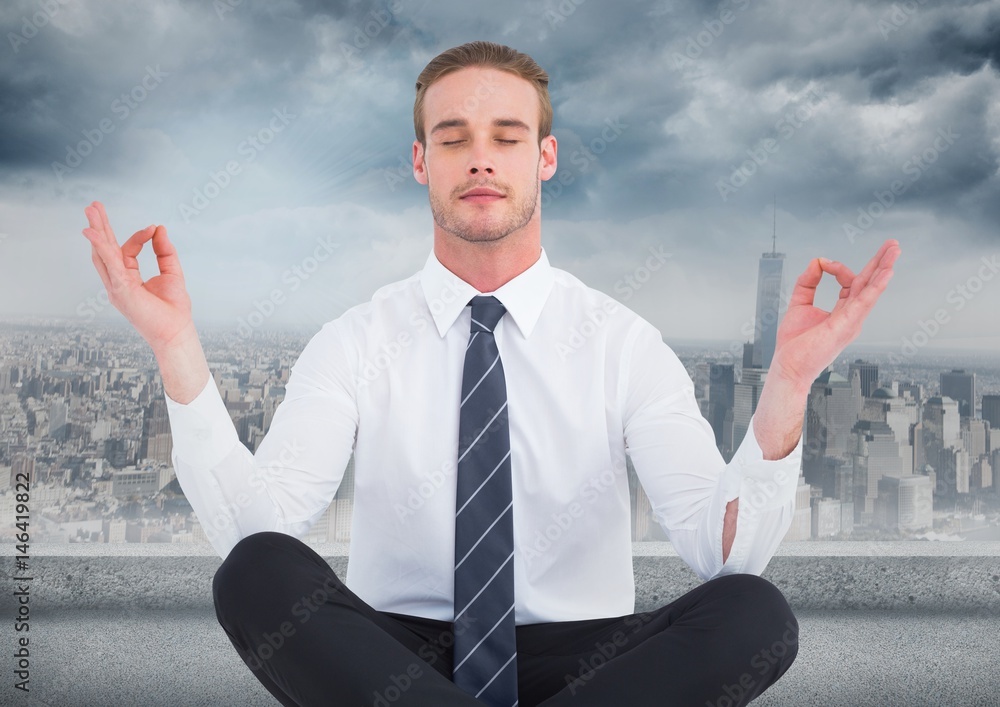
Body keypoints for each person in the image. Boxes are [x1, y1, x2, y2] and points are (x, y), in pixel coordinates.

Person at [81, 40, 900, 707]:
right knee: (254, 574)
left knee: (755, 612)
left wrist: (790, 381)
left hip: (590, 663)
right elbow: (258, 526)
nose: (481, 159)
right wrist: (175, 347)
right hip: (392, 658)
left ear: (544, 158)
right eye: (454, 139)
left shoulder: (622, 343)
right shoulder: (356, 340)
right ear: (419, 161)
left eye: (507, 137)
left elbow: (726, 554)